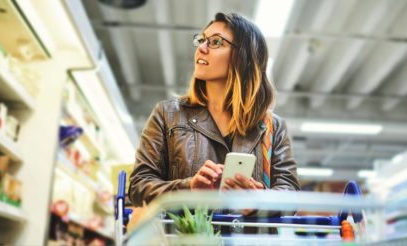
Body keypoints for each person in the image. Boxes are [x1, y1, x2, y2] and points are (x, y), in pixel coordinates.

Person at [128, 12, 300, 208]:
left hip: (245, 238)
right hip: (187, 238)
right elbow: (138, 187)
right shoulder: (167, 115)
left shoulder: (273, 127)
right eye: (201, 40)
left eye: (216, 42)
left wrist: (257, 199)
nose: (201, 48)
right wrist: (189, 187)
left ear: (244, 57)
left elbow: (290, 194)